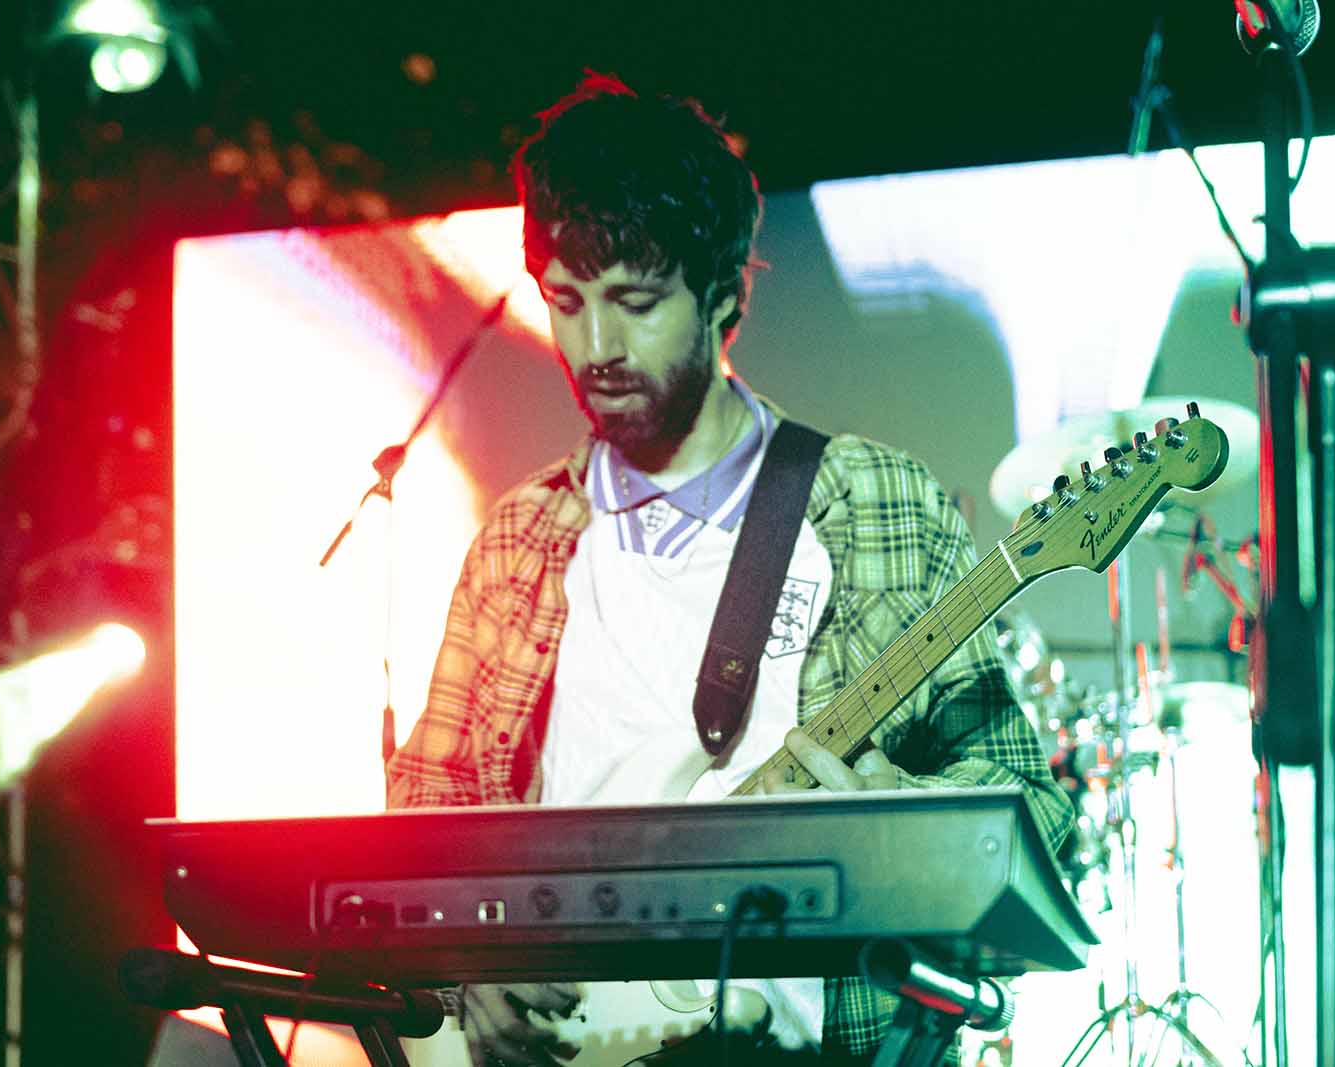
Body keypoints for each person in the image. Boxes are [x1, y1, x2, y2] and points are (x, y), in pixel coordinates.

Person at [385, 73, 1073, 1066]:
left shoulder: (875, 505)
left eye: (635, 302)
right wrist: (463, 961)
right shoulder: (521, 539)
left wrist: (904, 823)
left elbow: (1035, 818)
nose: (596, 345)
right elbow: (423, 815)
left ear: (721, 295)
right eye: (566, 302)